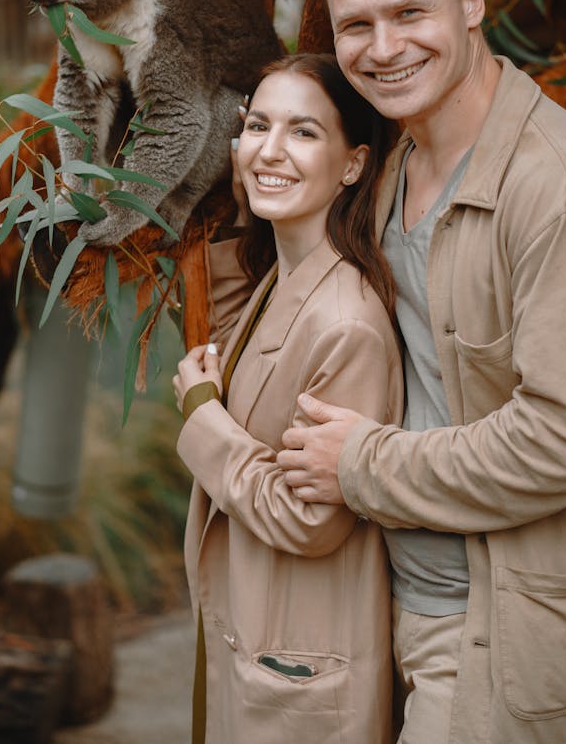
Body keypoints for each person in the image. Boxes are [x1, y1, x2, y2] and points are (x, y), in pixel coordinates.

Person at [276, 0, 566, 744]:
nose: (384, 48)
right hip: (398, 605)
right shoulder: (395, 161)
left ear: (469, 2)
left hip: (502, 636)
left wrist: (364, 465)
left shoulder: (555, 188)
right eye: (356, 25)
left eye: (409, 13)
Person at [173, 52, 403, 744]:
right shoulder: (282, 275)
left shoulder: (346, 324)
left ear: (355, 164)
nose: (269, 151)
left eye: (303, 133)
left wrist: (203, 418)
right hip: (256, 628)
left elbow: (313, 521)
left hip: (302, 658)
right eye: (258, 127)